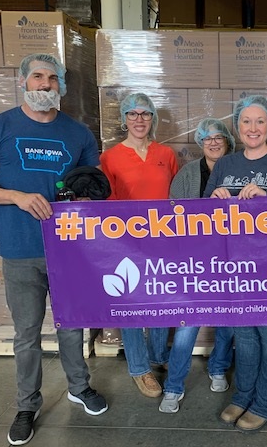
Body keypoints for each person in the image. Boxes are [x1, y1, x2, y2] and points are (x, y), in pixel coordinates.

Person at [0, 53, 108, 446]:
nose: (45, 84)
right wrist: (16, 196)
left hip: (69, 251)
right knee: (26, 333)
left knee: (72, 325)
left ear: (61, 85)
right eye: (38, 77)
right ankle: (27, 405)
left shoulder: (77, 133)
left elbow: (94, 185)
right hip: (21, 249)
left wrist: (83, 201)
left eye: (52, 78)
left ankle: (79, 387)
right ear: (24, 82)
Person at [205, 95, 267, 433]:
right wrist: (216, 198)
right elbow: (203, 214)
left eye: (259, 121)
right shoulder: (226, 165)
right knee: (245, 338)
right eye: (246, 122)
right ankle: (243, 395)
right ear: (237, 127)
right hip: (235, 266)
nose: (253, 128)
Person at [100, 92, 179, 399]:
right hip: (127, 241)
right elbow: (105, 203)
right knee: (131, 304)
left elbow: (177, 197)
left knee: (161, 299)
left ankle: (159, 355)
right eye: (132, 114)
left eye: (145, 114)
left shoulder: (166, 154)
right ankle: (139, 368)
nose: (139, 120)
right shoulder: (110, 157)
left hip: (164, 239)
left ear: (153, 119)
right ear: (124, 120)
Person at [159, 118, 237, 414]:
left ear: (228, 141)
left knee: (229, 320)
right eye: (207, 138)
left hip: (232, 262)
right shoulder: (188, 173)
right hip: (193, 261)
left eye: (219, 137)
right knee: (186, 324)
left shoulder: (240, 169)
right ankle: (174, 385)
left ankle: (218, 366)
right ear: (200, 143)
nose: (213, 142)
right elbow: (171, 213)